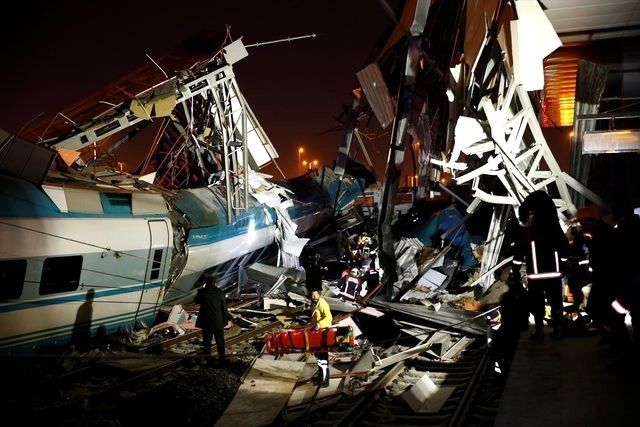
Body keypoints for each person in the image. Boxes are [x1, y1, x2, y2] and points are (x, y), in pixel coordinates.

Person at [512, 190, 569, 340]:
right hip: (554, 273)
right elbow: (564, 249)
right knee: (556, 302)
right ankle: (558, 330)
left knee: (536, 303)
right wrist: (563, 266)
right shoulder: (554, 228)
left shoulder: (526, 232)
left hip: (536, 275)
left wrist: (515, 270)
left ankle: (539, 332)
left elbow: (518, 253)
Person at [195, 277, 233, 364]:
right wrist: (225, 320)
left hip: (206, 321)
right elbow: (224, 307)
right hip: (218, 321)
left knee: (207, 341)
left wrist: (200, 290)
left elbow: (196, 301)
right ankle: (222, 359)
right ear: (215, 283)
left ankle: (207, 359)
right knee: (220, 340)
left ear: (206, 282)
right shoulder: (220, 293)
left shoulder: (202, 292)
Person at [308, 288, 333, 387]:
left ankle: (324, 381)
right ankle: (320, 377)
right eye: (312, 295)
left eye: (315, 295)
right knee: (319, 357)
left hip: (323, 333)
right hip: (317, 333)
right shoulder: (313, 304)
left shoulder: (322, 303)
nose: (313, 297)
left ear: (319, 295)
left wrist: (319, 324)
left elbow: (328, 317)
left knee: (323, 358)